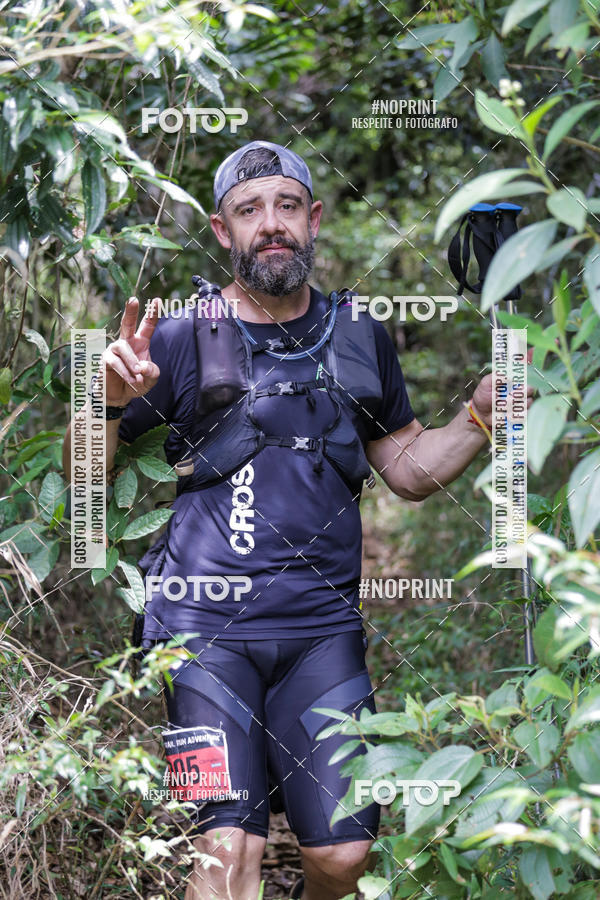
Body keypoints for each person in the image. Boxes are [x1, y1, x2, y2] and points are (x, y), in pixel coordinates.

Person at [64, 141, 502, 900]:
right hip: (202, 635)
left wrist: (477, 417)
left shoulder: (361, 334)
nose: (271, 224)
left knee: (341, 858)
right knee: (226, 850)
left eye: (287, 206)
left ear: (315, 219)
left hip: (321, 636)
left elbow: (405, 467)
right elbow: (81, 482)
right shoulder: (176, 335)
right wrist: (99, 401)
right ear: (222, 230)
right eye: (249, 210)